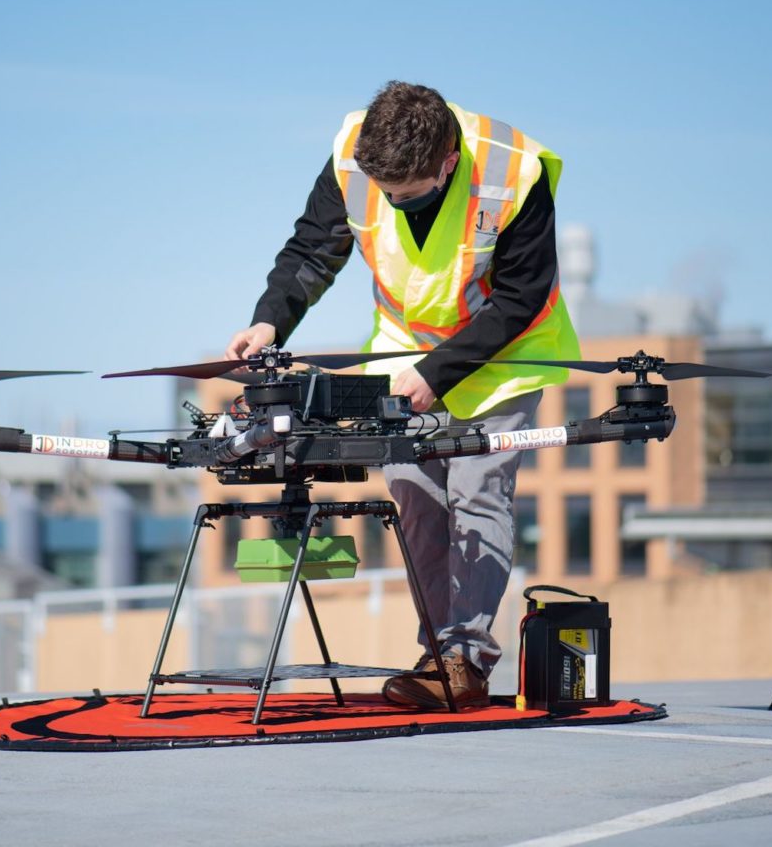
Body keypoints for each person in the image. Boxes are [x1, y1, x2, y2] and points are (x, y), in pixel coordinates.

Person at [225, 80, 580, 708]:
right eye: (385, 193)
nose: (392, 202)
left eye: (407, 196)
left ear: (447, 163)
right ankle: (436, 655)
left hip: (504, 357)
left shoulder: (515, 171)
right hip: (403, 352)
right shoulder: (354, 152)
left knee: (476, 494)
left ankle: (464, 659)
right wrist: (269, 320)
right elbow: (313, 250)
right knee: (416, 498)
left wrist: (439, 372)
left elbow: (523, 297)